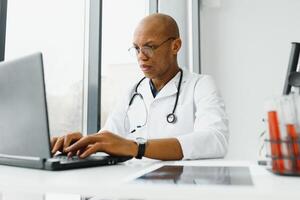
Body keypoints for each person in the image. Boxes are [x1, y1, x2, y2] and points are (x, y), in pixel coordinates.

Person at [51, 13, 229, 161]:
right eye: (136, 48)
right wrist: (81, 143)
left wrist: (137, 147)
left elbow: (215, 140)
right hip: (134, 187)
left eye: (149, 47)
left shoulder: (201, 85)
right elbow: (108, 138)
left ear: (175, 46)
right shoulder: (132, 92)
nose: (141, 56)